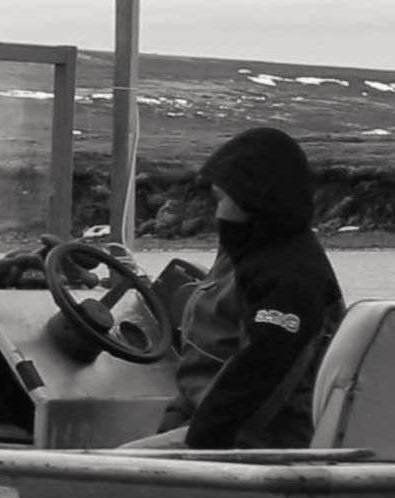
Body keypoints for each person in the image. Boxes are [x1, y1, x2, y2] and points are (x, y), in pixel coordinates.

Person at [126, 126, 345, 449]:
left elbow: (259, 379)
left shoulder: (290, 279)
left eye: (222, 199)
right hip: (201, 423)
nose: (218, 213)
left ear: (255, 201)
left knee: (103, 469)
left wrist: (199, 449)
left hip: (261, 446)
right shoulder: (247, 254)